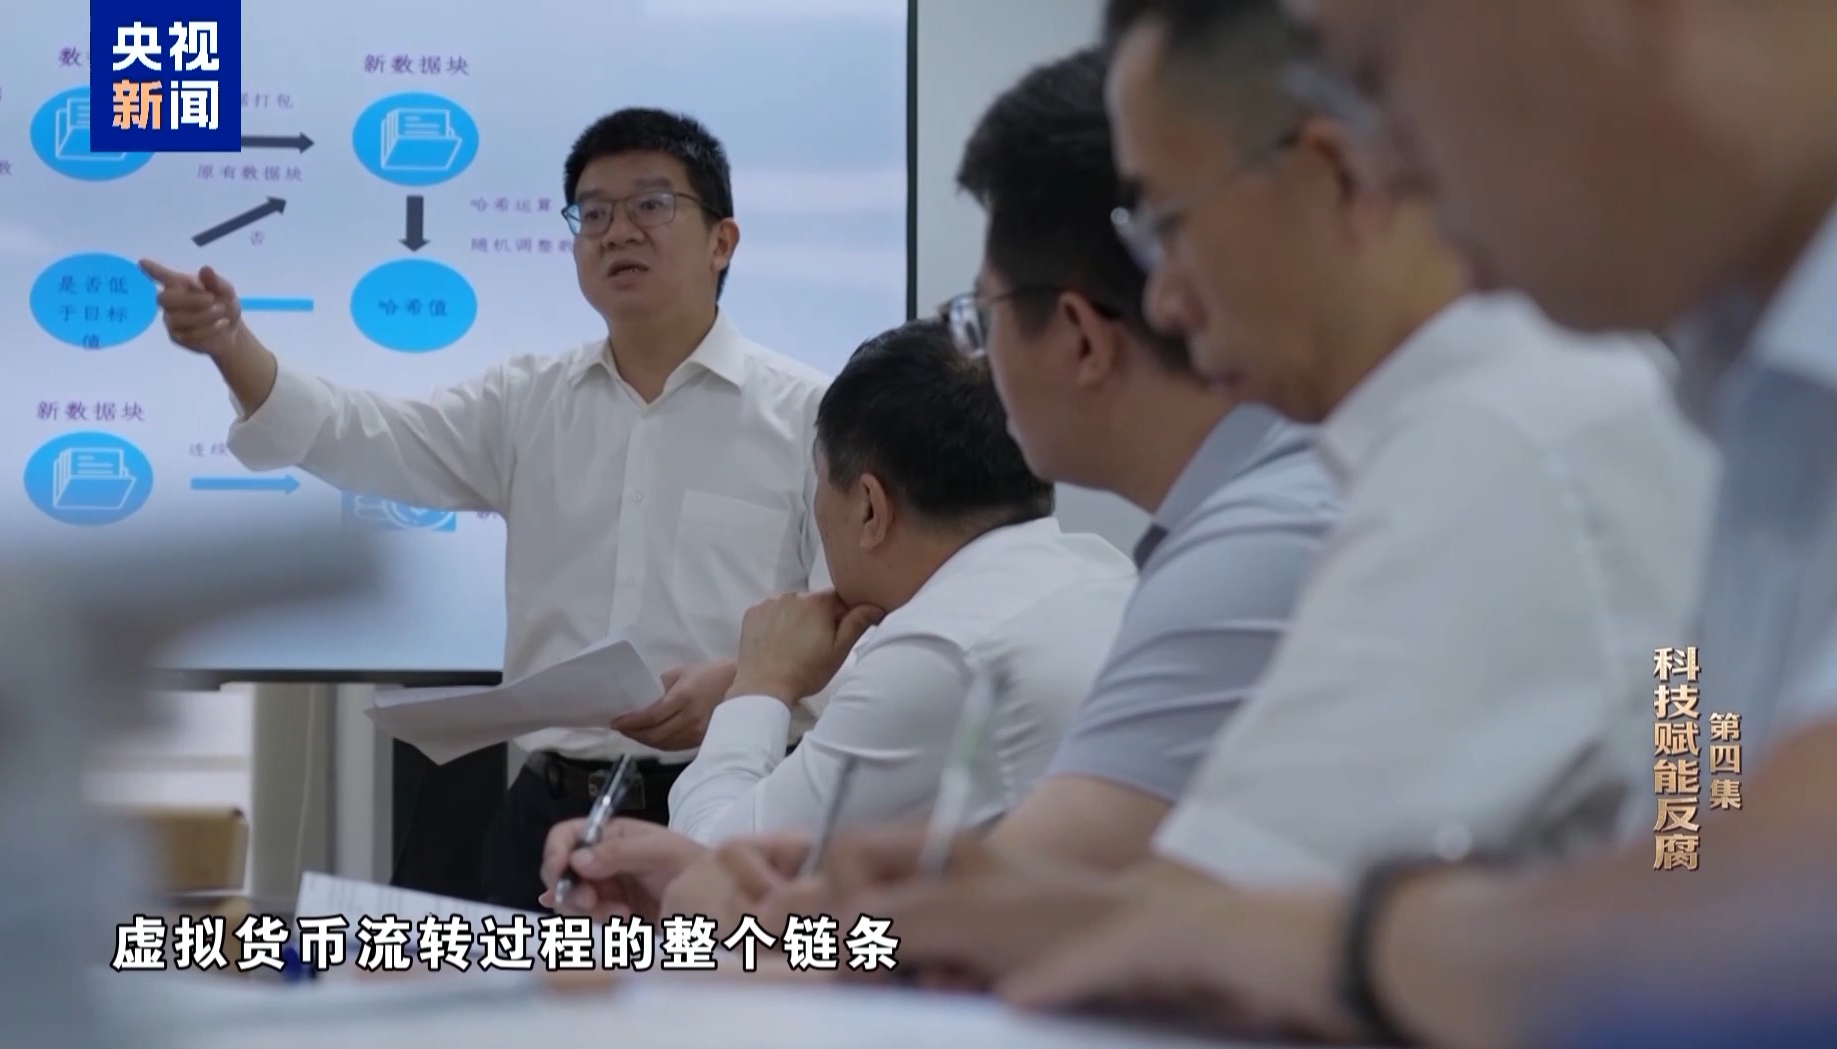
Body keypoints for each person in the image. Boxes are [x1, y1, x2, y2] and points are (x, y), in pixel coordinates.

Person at [947, 0, 1837, 1049]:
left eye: (1380, 78)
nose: (1401, 162)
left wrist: (1363, 941)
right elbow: (1704, 838)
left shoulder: (1508, 434)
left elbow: (1773, 920)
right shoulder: (1745, 413)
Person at [567, 45, 1344, 928]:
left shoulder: (965, 640)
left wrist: (760, 689)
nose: (980, 363)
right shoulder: (1135, 558)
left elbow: (733, 891)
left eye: (982, 317)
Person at [143, 107, 832, 911]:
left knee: (727, 1000)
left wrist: (749, 686)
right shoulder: (528, 402)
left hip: (735, 815)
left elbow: (855, 621)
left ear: (723, 241)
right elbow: (363, 435)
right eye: (593, 212)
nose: (618, 231)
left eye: (651, 205)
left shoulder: (810, 415)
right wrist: (231, 347)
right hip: (548, 817)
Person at [536, 317, 1136, 910]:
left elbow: (719, 872)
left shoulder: (939, 651)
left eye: (820, 483)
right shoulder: (1103, 574)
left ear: (871, 508)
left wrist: (761, 684)